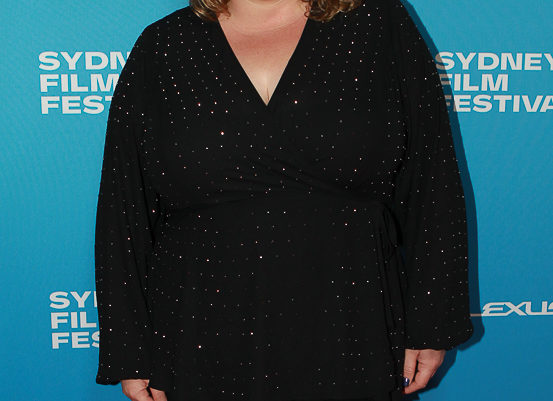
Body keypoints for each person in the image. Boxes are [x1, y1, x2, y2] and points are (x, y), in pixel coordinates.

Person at [93, 0, 474, 400]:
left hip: (351, 325)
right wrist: (130, 350)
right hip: (200, 335)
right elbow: (124, 209)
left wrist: (432, 323)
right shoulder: (163, 45)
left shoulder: (378, 23)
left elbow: (432, 184)